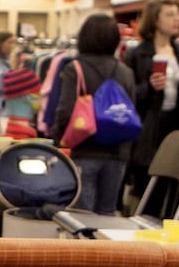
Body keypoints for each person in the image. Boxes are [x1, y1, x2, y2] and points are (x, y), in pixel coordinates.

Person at [51, 13, 137, 214]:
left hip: (84, 150)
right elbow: (132, 112)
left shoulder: (76, 68)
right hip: (118, 154)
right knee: (107, 214)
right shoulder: (126, 72)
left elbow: (65, 112)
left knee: (81, 217)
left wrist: (58, 140)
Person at [122, 0, 179, 190]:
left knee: (167, 182)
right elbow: (125, 96)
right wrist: (149, 87)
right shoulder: (136, 54)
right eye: (169, 14)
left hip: (173, 125)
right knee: (145, 182)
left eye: (178, 14)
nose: (176, 19)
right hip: (146, 126)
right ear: (155, 20)